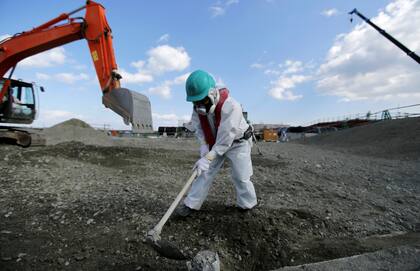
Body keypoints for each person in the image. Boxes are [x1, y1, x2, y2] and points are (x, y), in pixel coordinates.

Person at [177, 70, 257, 217]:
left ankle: (247, 205)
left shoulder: (232, 106)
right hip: (215, 144)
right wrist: (203, 147)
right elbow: (199, 128)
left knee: (241, 176)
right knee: (204, 173)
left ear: (213, 93)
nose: (200, 106)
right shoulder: (197, 108)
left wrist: (208, 157)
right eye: (196, 102)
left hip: (238, 142)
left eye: (203, 101)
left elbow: (226, 137)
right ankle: (191, 205)